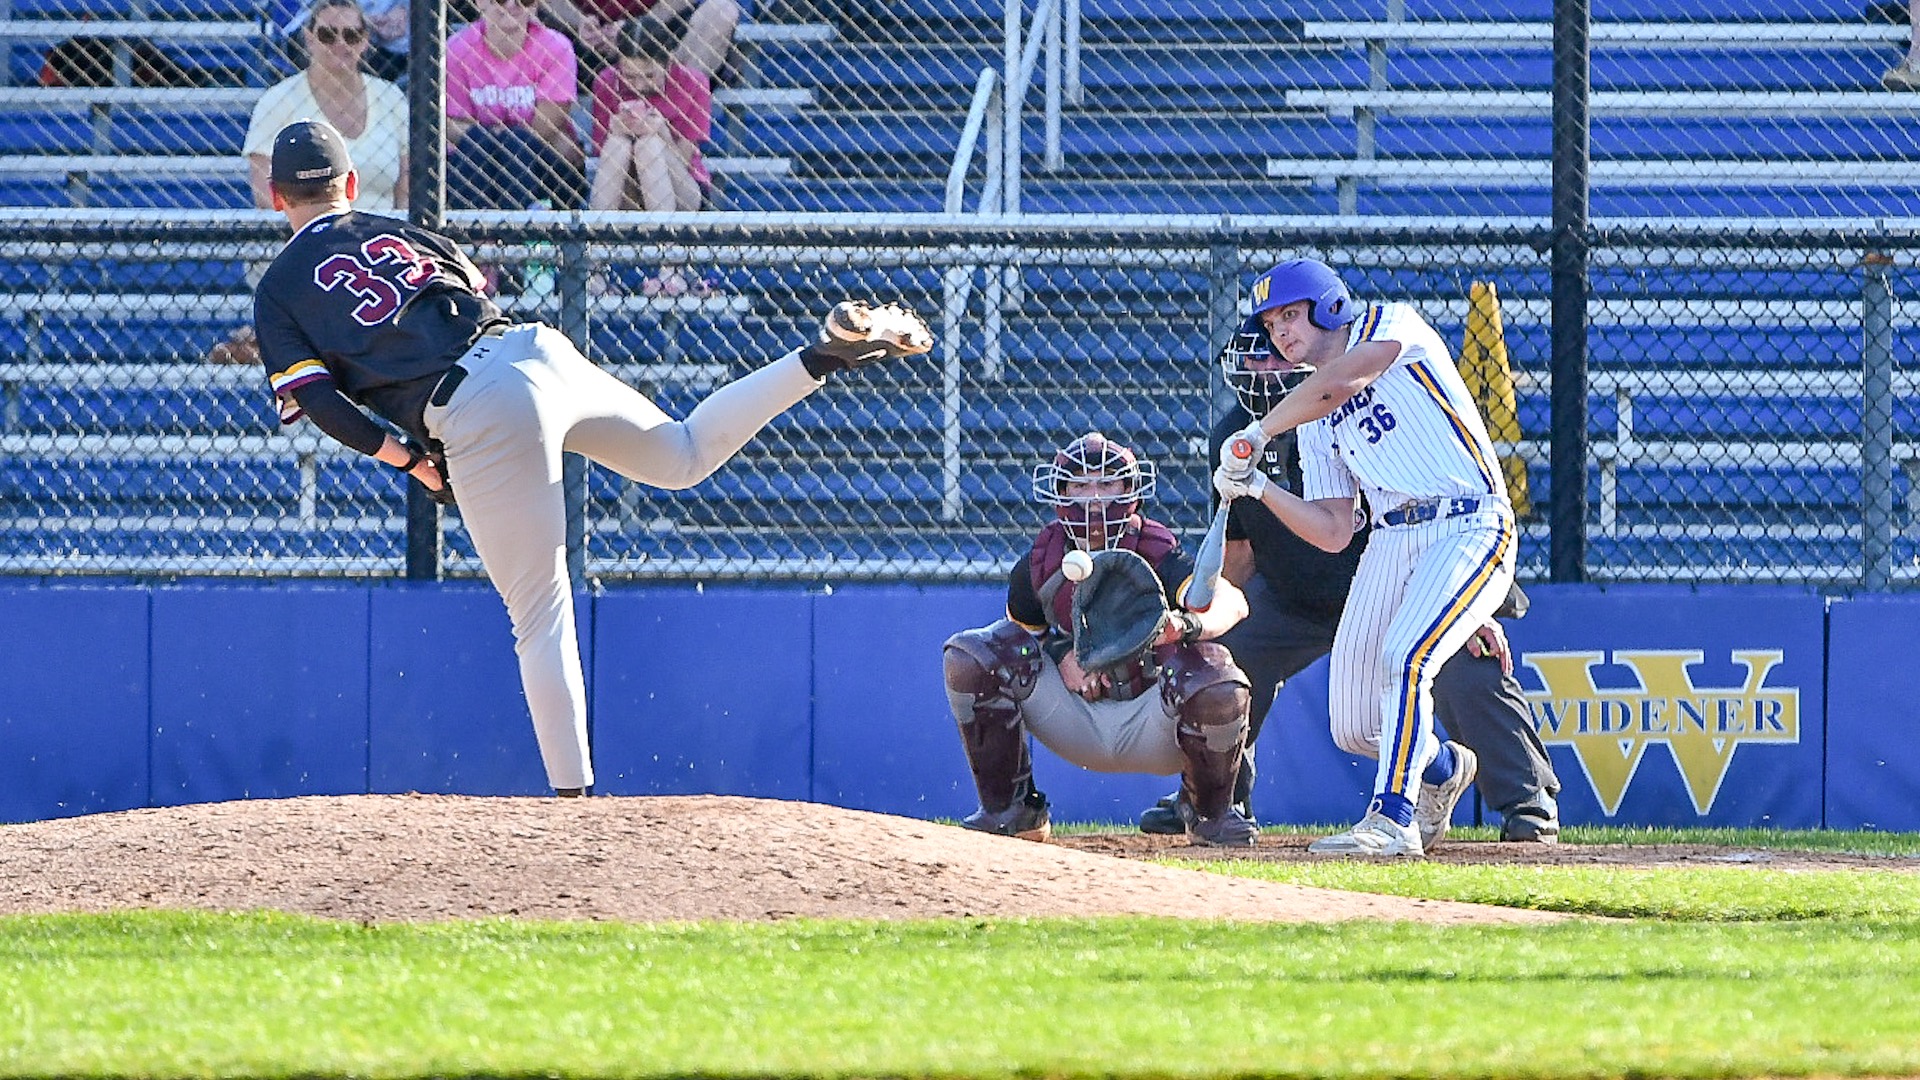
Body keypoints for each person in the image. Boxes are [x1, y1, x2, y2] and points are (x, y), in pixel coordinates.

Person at [250, 119, 933, 795]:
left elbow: (320, 403)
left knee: (539, 612)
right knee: (683, 453)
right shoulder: (403, 231)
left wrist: (412, 461)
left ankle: (574, 808)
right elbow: (467, 298)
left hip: (474, 403)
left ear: (276, 196)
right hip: (534, 349)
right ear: (350, 182)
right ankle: (819, 357)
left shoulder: (280, 287)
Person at [1136, 320, 1561, 845]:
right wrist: (1210, 623)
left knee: (1461, 661)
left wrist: (1474, 608)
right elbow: (1240, 549)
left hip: (1398, 577)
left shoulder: (1352, 409)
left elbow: (1417, 507)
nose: (1263, 370)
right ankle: (1214, 797)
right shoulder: (1231, 436)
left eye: (1273, 356)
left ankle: (1527, 798)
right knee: (1229, 658)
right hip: (1293, 596)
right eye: (1252, 360)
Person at [1211, 258, 1517, 858]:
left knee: (1406, 657)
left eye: (1291, 315)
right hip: (1389, 538)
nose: (1282, 334)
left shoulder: (1392, 324)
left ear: (1329, 307)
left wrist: (1258, 433)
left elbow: (1340, 382)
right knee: (1352, 723)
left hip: (1468, 520)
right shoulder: (1314, 422)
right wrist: (1261, 489)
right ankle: (1444, 765)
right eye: (1272, 325)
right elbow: (1331, 529)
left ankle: (1393, 820)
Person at [941, 432, 1260, 847]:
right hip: (1079, 717)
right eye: (1080, 485)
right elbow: (1018, 643)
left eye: (1107, 484)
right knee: (973, 655)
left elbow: (1233, 602)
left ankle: (1209, 813)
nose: (1094, 499)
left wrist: (1185, 627)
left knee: (1216, 673)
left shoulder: (1155, 549)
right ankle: (1011, 810)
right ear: (1061, 494)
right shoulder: (1041, 561)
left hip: (1155, 717)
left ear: (1130, 490)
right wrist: (1064, 656)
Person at [245, 0, 409, 214]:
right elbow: (264, 191)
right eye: (328, 35)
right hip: (309, 234)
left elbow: (408, 183)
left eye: (352, 35)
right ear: (309, 38)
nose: (341, 43)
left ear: (365, 41)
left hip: (381, 232)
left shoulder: (391, 97)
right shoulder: (278, 100)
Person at [445, 0, 586, 210]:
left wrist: (504, 136)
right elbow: (451, 124)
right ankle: (475, 234)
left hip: (538, 153)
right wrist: (493, 136)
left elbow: (550, 121)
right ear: (481, 3)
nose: (512, 4)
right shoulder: (457, 47)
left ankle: (518, 230)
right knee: (478, 141)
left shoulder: (556, 46)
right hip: (477, 152)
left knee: (516, 142)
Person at [541, 0, 737, 92]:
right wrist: (579, 21)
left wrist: (638, 27)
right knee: (522, 10)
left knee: (721, 11)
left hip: (659, 31)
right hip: (582, 36)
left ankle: (674, 106)